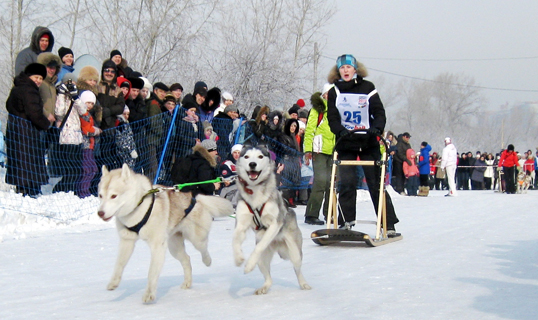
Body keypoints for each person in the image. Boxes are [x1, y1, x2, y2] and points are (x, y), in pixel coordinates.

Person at [326, 54, 400, 235]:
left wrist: (377, 128)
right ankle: (346, 221)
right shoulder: (334, 91)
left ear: (355, 69)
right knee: (347, 182)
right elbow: (332, 117)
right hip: (346, 142)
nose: (345, 71)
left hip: (367, 141)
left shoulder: (368, 88)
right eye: (342, 68)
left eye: (348, 67)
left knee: (375, 183)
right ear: (338, 71)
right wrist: (339, 130)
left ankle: (388, 222)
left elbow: (379, 111)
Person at [5, 63, 55, 197]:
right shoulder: (29, 90)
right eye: (36, 77)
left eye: (40, 78)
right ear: (29, 76)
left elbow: (8, 105)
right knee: (29, 161)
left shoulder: (18, 87)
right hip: (27, 133)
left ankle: (22, 188)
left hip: (16, 131)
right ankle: (30, 189)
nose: (38, 81)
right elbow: (34, 113)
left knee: (19, 161)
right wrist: (46, 125)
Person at [303, 84, 335, 225]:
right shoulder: (318, 109)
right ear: (324, 94)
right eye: (329, 93)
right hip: (319, 151)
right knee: (320, 182)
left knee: (332, 182)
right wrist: (308, 150)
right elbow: (309, 130)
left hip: (334, 150)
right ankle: (311, 214)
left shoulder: (338, 109)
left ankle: (330, 214)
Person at [52, 73, 85, 194]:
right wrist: (61, 94)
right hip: (65, 138)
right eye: (68, 84)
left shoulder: (76, 98)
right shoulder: (60, 98)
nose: (70, 86)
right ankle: (62, 190)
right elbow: (59, 113)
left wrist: (75, 97)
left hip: (77, 137)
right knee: (69, 168)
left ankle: (70, 190)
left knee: (77, 168)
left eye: (73, 84)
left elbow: (83, 110)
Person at [79, 91, 102, 198]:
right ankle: (83, 191)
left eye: (92, 104)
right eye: (88, 102)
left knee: (93, 169)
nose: (90, 105)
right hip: (85, 145)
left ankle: (85, 190)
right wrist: (96, 130)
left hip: (90, 145)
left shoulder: (88, 115)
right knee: (88, 169)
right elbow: (87, 130)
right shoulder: (83, 115)